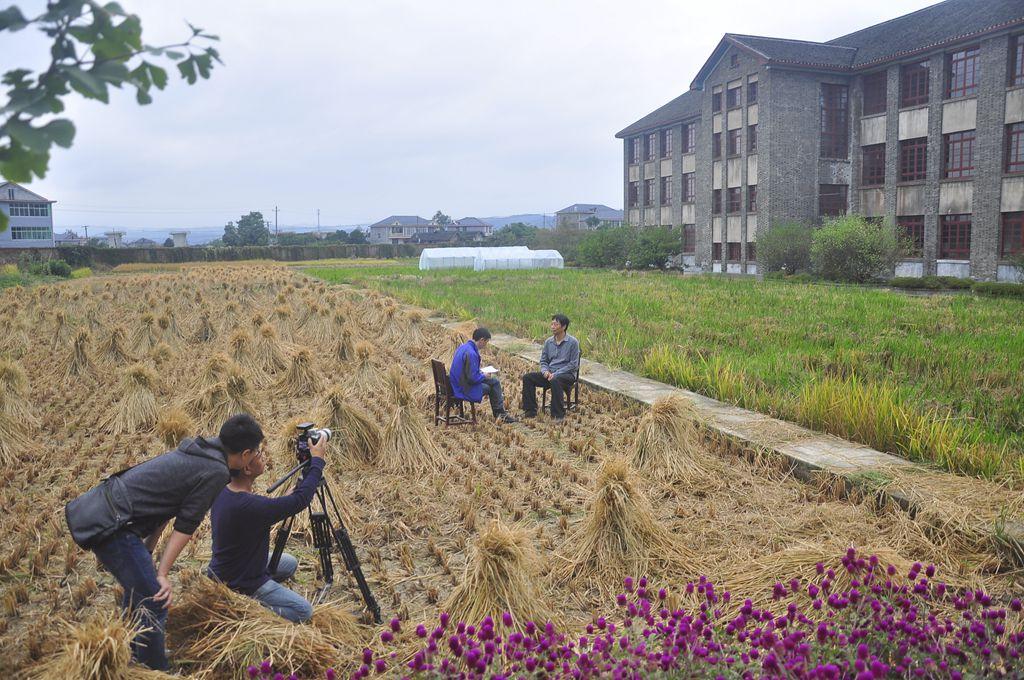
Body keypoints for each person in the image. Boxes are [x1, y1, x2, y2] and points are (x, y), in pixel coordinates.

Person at [65, 414, 264, 671]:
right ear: (246, 453)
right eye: (256, 452)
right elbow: (185, 525)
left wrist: (148, 549)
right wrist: (162, 573)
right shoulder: (216, 470)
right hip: (114, 526)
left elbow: (165, 507)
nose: (256, 456)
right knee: (155, 598)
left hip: (109, 514)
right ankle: (156, 670)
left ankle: (134, 655)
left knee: (139, 592)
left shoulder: (200, 451)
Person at [206, 428, 329, 622]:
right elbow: (301, 500)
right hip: (241, 581)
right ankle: (246, 606)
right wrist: (317, 463)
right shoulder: (250, 506)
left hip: (229, 566)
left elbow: (264, 510)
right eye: (258, 453)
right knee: (304, 611)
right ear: (247, 468)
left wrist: (288, 498)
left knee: (289, 563)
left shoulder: (227, 491)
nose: (262, 455)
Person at [450, 327, 518, 423]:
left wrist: (480, 373)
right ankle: (500, 414)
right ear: (482, 340)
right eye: (486, 342)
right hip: (463, 388)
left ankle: (500, 413)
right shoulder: (471, 354)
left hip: (457, 382)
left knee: (494, 381)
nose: (486, 345)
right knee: (489, 388)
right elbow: (472, 378)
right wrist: (483, 375)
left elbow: (468, 371)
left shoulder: (463, 347)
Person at [522, 314, 580, 422]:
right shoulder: (548, 342)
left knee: (555, 379)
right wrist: (545, 371)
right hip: (550, 374)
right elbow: (544, 360)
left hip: (567, 375)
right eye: (552, 324)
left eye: (556, 324)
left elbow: (573, 364)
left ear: (564, 327)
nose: (552, 327)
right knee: (527, 378)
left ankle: (558, 415)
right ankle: (530, 410)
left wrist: (556, 374)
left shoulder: (573, 342)